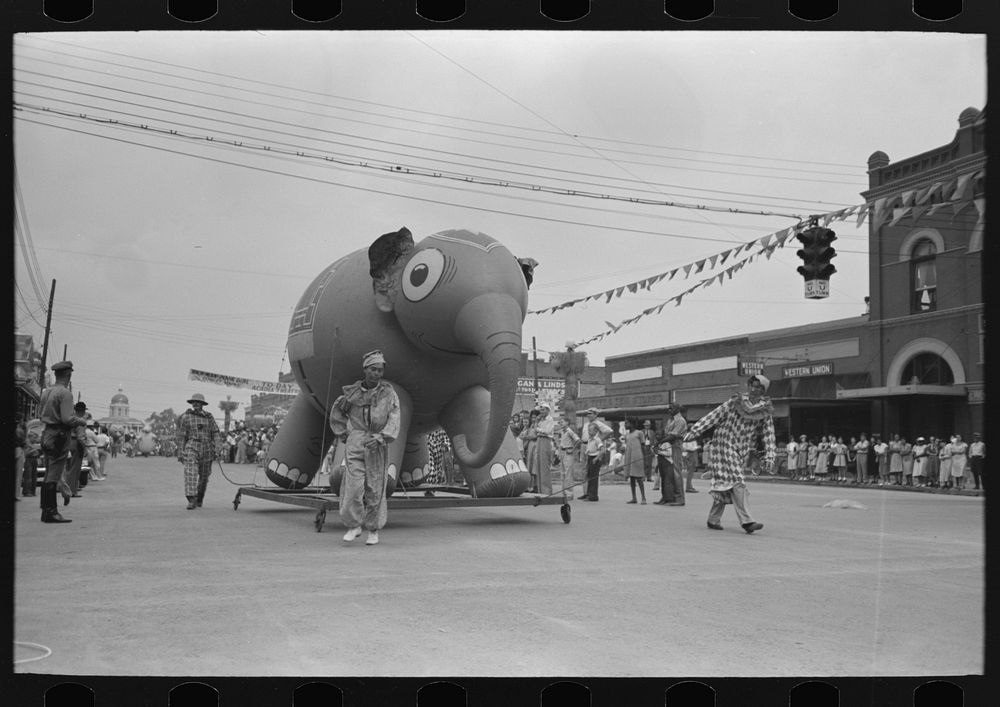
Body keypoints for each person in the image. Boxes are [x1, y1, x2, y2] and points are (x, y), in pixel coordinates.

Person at [684, 374, 774, 534]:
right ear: (749, 386)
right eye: (753, 385)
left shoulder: (765, 408)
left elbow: (769, 434)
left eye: (759, 387)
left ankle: (713, 519)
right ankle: (747, 521)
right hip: (724, 443)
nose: (755, 389)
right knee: (738, 480)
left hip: (742, 448)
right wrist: (695, 431)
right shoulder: (736, 401)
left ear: (763, 390)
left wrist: (770, 455)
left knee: (726, 483)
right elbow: (715, 415)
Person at [330, 350, 401, 546]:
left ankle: (373, 529)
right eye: (373, 369)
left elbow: (395, 417)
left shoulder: (388, 393)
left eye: (379, 370)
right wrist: (344, 433)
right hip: (356, 442)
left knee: (375, 488)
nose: (376, 373)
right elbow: (338, 412)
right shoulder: (352, 393)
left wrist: (381, 436)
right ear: (365, 370)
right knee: (353, 486)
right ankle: (353, 525)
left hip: (377, 444)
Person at [37, 360, 89, 523]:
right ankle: (52, 512)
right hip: (60, 435)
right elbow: (67, 419)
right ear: (68, 375)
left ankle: (45, 510)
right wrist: (81, 421)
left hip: (47, 434)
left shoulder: (46, 392)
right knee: (54, 473)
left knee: (48, 473)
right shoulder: (65, 394)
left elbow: (40, 414)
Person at [175, 392, 220, 510]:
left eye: (198, 402)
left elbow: (215, 432)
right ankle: (191, 499)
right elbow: (181, 435)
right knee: (190, 472)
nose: (195, 404)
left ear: (202, 404)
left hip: (207, 448)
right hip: (192, 445)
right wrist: (180, 451)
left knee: (204, 477)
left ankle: (199, 497)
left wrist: (218, 446)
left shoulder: (209, 417)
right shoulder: (186, 417)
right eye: (193, 402)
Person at [661, 404, 689, 505]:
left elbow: (673, 436)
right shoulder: (670, 420)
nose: (669, 410)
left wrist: (659, 443)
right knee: (668, 473)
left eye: (671, 409)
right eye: (668, 409)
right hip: (668, 446)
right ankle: (669, 497)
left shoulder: (680, 420)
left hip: (676, 446)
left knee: (677, 472)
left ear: (677, 409)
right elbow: (667, 433)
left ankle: (680, 498)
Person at [531, 403, 556, 495]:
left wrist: (538, 429)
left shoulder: (550, 419)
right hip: (539, 440)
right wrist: (536, 423)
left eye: (543, 410)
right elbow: (534, 430)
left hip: (546, 441)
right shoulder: (540, 420)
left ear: (548, 410)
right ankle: (540, 489)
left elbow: (547, 431)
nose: (541, 412)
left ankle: (547, 490)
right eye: (540, 410)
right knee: (538, 465)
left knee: (544, 466)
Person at [622, 420, 647, 504]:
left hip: (638, 457)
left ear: (632, 424)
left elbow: (643, 446)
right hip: (629, 457)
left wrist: (644, 457)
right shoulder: (627, 435)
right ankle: (634, 498)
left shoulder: (639, 433)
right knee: (632, 478)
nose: (625, 425)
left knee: (639, 478)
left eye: (627, 423)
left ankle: (643, 498)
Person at [581, 422, 605, 501]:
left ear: (596, 431)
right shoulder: (589, 439)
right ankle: (589, 494)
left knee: (594, 478)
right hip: (590, 458)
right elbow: (590, 448)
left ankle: (593, 496)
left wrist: (597, 458)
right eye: (588, 430)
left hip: (595, 459)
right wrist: (587, 452)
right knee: (589, 477)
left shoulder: (597, 440)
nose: (589, 432)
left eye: (590, 431)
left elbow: (602, 450)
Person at [640, 419, 656, 484]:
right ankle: (643, 476)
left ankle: (649, 477)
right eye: (646, 425)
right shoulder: (641, 432)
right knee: (643, 463)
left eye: (648, 425)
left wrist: (653, 447)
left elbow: (654, 440)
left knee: (649, 463)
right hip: (643, 447)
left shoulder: (652, 432)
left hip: (650, 447)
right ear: (644, 426)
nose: (647, 426)